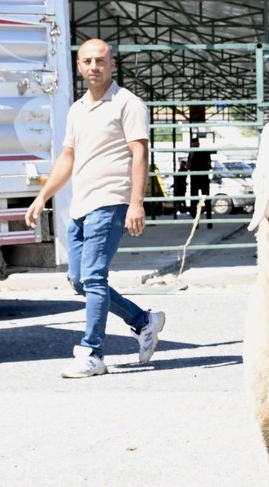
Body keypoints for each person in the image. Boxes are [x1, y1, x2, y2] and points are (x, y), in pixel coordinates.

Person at [24, 38, 166, 377]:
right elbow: (67, 158)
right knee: (79, 280)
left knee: (94, 276)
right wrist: (42, 196)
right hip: (81, 206)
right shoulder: (77, 110)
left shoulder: (128, 104)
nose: (94, 66)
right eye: (87, 60)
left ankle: (92, 352)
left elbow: (139, 153)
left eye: (100, 60)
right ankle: (142, 321)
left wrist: (136, 203)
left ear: (112, 64)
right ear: (78, 65)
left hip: (111, 201)